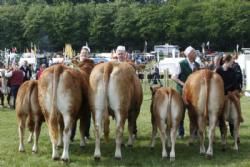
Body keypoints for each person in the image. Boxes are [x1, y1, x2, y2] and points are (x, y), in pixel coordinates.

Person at [172, 46, 200, 138]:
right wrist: (184, 84)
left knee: (194, 113)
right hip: (182, 92)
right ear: (189, 54)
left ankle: (195, 132)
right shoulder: (180, 64)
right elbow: (174, 77)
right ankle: (181, 133)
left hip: (194, 94)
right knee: (181, 113)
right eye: (194, 53)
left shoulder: (197, 65)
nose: (195, 54)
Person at [216, 54, 243, 138]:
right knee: (220, 112)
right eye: (231, 61)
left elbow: (235, 82)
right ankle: (221, 130)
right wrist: (225, 91)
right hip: (222, 94)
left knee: (236, 102)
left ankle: (239, 117)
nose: (232, 63)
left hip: (231, 92)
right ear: (227, 61)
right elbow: (218, 84)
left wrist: (237, 90)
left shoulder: (232, 71)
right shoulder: (218, 71)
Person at [70, 45, 91, 142]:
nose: (83, 55)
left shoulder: (90, 65)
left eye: (85, 54)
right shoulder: (74, 64)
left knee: (86, 114)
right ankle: (71, 134)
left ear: (88, 55)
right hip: (75, 92)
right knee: (73, 114)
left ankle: (86, 134)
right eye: (82, 54)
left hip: (87, 91)